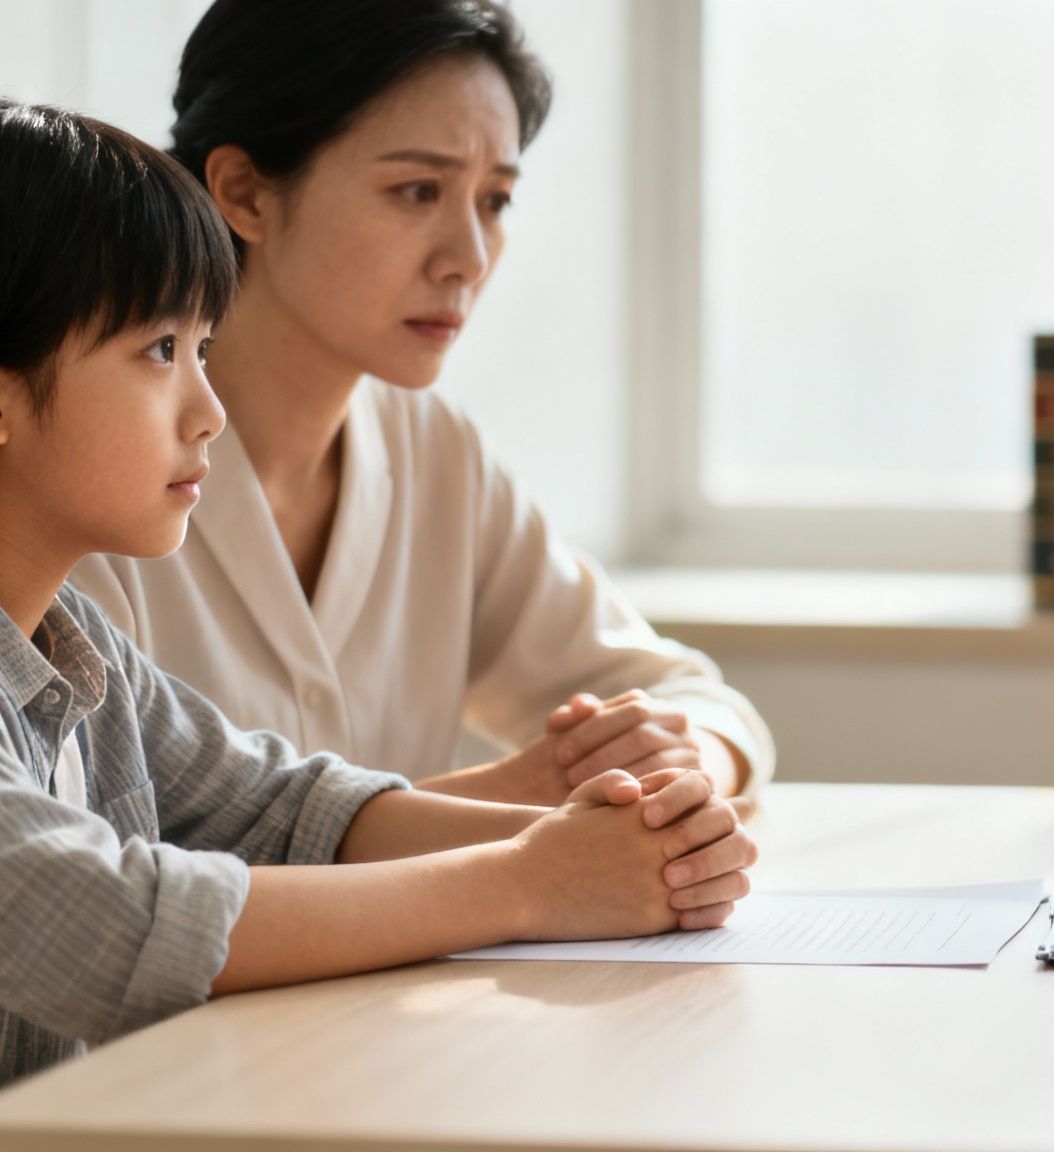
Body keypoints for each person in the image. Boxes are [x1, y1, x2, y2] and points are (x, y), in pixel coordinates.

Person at [0, 98, 757, 1086]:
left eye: (201, 348)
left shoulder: (73, 640)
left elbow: (282, 811)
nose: (208, 409)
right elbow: (107, 922)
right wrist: (526, 881)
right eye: (158, 352)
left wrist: (634, 844)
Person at [66, 0, 774, 810]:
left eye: (495, 200)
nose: (468, 259)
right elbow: (103, 886)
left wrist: (683, 762)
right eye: (417, 190)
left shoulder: (433, 453)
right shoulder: (84, 454)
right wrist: (503, 812)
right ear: (245, 191)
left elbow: (686, 696)